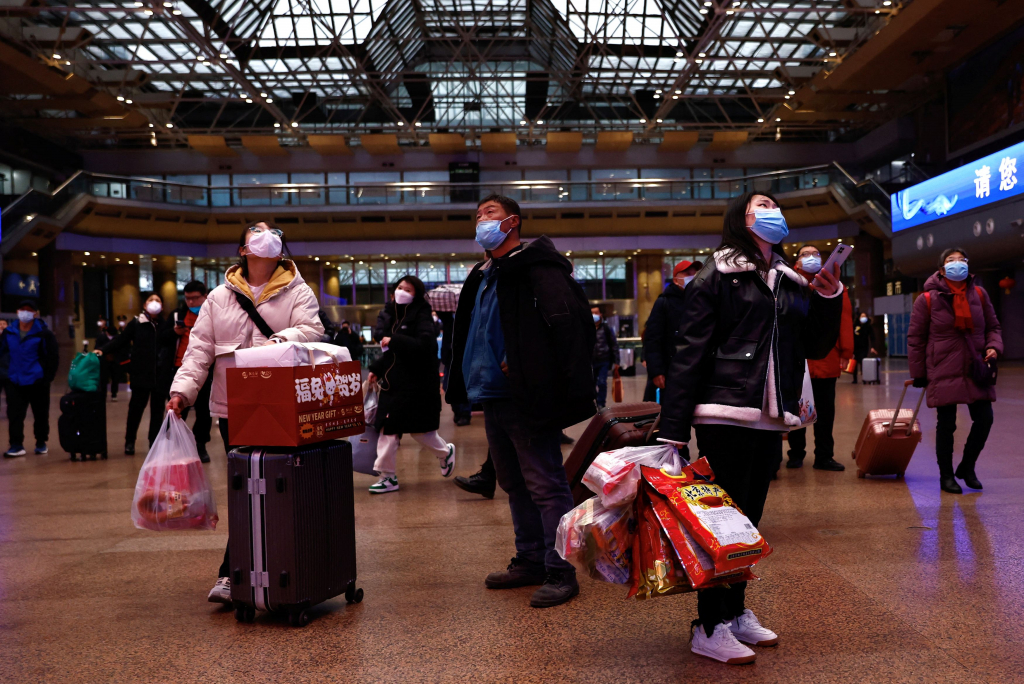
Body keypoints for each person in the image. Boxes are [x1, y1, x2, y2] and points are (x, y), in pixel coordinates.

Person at [659, 192, 843, 664]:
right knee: (721, 525)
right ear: (741, 219)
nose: (772, 211)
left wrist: (827, 294)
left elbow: (816, 344)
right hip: (724, 411)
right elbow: (689, 354)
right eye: (761, 204)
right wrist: (674, 429)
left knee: (747, 521)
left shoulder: (786, 279)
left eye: (775, 204)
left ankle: (736, 611)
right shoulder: (715, 275)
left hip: (769, 415)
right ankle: (709, 624)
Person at [447, 193, 596, 609]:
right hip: (491, 394)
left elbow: (570, 325)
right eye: (477, 215)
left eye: (489, 214)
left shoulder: (537, 269)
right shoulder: (485, 274)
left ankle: (560, 569)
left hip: (526, 395)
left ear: (512, 222)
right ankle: (530, 558)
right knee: (513, 483)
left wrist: (538, 369)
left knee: (546, 485)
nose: (481, 220)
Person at [165, 221, 324, 604]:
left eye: (273, 231)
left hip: (282, 406)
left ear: (281, 249)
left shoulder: (297, 291)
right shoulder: (219, 297)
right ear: (243, 249)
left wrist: (280, 340)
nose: (266, 234)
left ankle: (280, 567)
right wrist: (182, 392)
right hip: (233, 408)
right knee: (244, 488)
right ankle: (234, 573)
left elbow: (313, 330)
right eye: (257, 230)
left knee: (280, 486)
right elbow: (199, 349)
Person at [908, 247, 1002, 494]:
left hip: (975, 365)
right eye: (951, 260)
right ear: (941, 269)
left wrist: (993, 346)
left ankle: (967, 467)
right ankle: (946, 476)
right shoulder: (927, 299)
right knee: (946, 424)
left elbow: (993, 326)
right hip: (943, 366)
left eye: (962, 260)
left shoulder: (979, 295)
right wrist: (919, 373)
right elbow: (916, 338)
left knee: (985, 418)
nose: (957, 264)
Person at [364, 275, 455, 494]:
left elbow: (425, 346)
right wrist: (377, 369)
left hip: (418, 386)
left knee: (421, 432)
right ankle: (387, 477)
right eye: (400, 287)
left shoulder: (422, 316)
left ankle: (445, 453)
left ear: (416, 294)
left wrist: (395, 340)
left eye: (408, 289)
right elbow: (393, 355)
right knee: (388, 429)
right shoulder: (391, 316)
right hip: (394, 385)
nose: (402, 291)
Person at [786, 245, 854, 471]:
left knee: (825, 412)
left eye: (816, 254)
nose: (812, 257)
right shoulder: (788, 285)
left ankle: (824, 456)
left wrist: (846, 352)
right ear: (796, 263)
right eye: (805, 254)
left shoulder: (835, 287)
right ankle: (796, 454)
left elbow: (843, 321)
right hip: (796, 359)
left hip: (826, 358)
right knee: (796, 410)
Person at [97, 293, 174, 455]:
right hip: (141, 374)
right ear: (145, 305)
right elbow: (121, 340)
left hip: (160, 375)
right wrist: (103, 350)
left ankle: (154, 442)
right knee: (135, 410)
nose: (154, 303)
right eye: (151, 300)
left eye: (158, 300)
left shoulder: (165, 325)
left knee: (157, 410)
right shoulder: (137, 323)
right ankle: (130, 441)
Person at [1, 301, 59, 457]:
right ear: (17, 311)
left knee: (40, 413)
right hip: (14, 380)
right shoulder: (9, 332)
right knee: (14, 414)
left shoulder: (44, 333)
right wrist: (5, 375)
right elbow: (3, 353)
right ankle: (16, 445)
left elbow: (53, 357)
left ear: (35, 313)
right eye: (22, 310)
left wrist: (47, 377)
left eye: (29, 310)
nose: (25, 313)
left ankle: (41, 442)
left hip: (37, 380)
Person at [642, 259, 701, 404]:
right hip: (671, 370)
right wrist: (656, 371)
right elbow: (652, 338)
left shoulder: (701, 301)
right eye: (688, 273)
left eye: (695, 273)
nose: (692, 276)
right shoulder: (664, 302)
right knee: (671, 418)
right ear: (676, 280)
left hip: (695, 371)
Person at [167, 281, 213, 463]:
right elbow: (162, 338)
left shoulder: (210, 315)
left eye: (195, 298)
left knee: (204, 411)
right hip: (180, 367)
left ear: (205, 297)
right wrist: (173, 332)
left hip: (206, 370)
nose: (191, 302)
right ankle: (177, 446)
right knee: (178, 409)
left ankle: (200, 444)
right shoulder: (177, 315)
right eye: (188, 299)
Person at [591, 306, 620, 409]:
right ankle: (592, 402)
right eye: (592, 313)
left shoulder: (606, 328)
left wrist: (617, 361)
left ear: (600, 314)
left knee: (602, 382)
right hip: (591, 362)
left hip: (604, 360)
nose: (594, 315)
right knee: (591, 384)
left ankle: (601, 403)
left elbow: (614, 344)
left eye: (596, 313)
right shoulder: (587, 329)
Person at [94, 316, 122, 401]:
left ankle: (114, 394)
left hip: (115, 361)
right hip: (104, 361)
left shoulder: (117, 337)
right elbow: (97, 348)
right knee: (104, 379)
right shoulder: (101, 337)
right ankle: (103, 395)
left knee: (115, 378)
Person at [851, 310, 877, 383]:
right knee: (854, 364)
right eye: (862, 316)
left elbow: (872, 337)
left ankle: (864, 378)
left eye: (864, 316)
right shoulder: (855, 325)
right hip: (855, 348)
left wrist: (872, 347)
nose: (863, 318)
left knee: (863, 363)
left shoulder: (868, 326)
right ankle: (855, 379)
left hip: (864, 347)